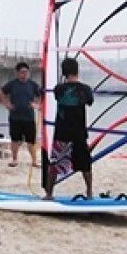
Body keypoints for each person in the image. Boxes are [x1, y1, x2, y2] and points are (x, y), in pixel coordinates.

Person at [43, 57, 94, 200]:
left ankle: (49, 194)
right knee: (85, 164)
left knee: (55, 164)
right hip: (79, 132)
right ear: (77, 70)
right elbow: (90, 102)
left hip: (62, 131)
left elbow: (59, 95)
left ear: (64, 72)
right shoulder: (85, 89)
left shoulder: (58, 89)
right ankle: (89, 193)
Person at [0, 62, 41, 168]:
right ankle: (14, 159)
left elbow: (42, 95)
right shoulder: (12, 84)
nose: (24, 74)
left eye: (26, 72)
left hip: (29, 117)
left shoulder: (33, 84)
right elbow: (1, 92)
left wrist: (37, 105)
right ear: (17, 73)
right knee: (15, 140)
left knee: (31, 141)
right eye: (22, 72)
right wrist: (6, 104)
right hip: (15, 117)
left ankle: (34, 161)